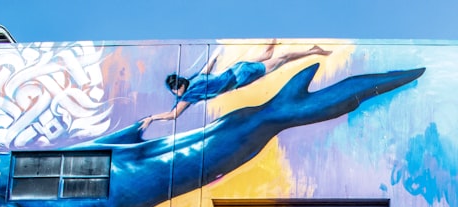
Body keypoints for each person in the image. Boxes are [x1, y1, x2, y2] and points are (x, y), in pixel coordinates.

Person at [140, 42, 332, 130]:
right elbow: (208, 68)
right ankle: (271, 44)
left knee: (281, 60)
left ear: (177, 88)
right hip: (236, 69)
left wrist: (151, 118)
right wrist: (214, 56)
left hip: (241, 77)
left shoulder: (191, 94)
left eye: (174, 91)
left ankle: (312, 51)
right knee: (266, 58)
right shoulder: (195, 81)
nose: (175, 94)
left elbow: (173, 115)